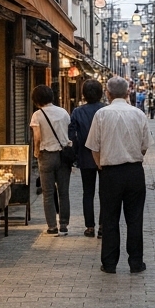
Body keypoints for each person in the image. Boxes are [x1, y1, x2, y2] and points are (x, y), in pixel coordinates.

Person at [86, 76, 151, 273]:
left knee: (110, 217)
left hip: (110, 172)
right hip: (134, 172)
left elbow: (94, 147)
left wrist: (101, 166)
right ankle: (136, 262)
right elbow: (144, 146)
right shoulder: (138, 114)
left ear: (108, 93)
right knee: (135, 218)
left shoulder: (101, 114)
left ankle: (109, 262)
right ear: (128, 92)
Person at [30, 85, 73, 236]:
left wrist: (36, 152)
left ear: (36, 99)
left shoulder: (37, 115)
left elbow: (37, 137)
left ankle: (52, 226)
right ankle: (64, 225)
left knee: (47, 193)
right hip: (63, 155)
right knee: (64, 192)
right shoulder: (63, 112)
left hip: (46, 155)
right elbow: (69, 131)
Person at [69, 79, 106, 238]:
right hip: (105, 157)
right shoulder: (106, 110)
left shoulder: (77, 112)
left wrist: (75, 155)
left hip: (85, 156)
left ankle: (89, 227)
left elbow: (72, 136)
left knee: (88, 193)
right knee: (105, 193)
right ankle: (103, 226)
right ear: (101, 93)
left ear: (83, 94)